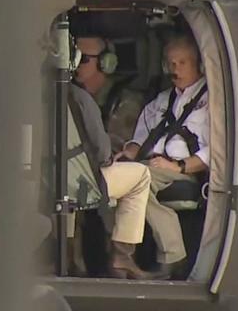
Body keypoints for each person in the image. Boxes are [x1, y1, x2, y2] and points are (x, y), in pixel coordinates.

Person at [118, 34, 209, 279]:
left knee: (134, 180)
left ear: (198, 65)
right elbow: (140, 138)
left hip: (182, 172)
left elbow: (215, 152)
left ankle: (171, 256)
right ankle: (122, 256)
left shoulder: (212, 102)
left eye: (182, 63)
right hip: (150, 164)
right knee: (112, 178)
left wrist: (178, 166)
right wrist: (129, 152)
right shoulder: (160, 101)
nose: (175, 69)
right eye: (171, 63)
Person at [69, 82, 154, 279]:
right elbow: (102, 152)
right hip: (81, 181)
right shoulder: (79, 97)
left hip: (42, 183)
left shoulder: (23, 97)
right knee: (140, 176)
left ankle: (66, 257)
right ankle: (122, 256)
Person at [74, 36, 146, 152]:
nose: (75, 63)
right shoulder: (70, 94)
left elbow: (114, 151)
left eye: (83, 58)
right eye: (73, 57)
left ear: (105, 62)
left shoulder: (126, 103)